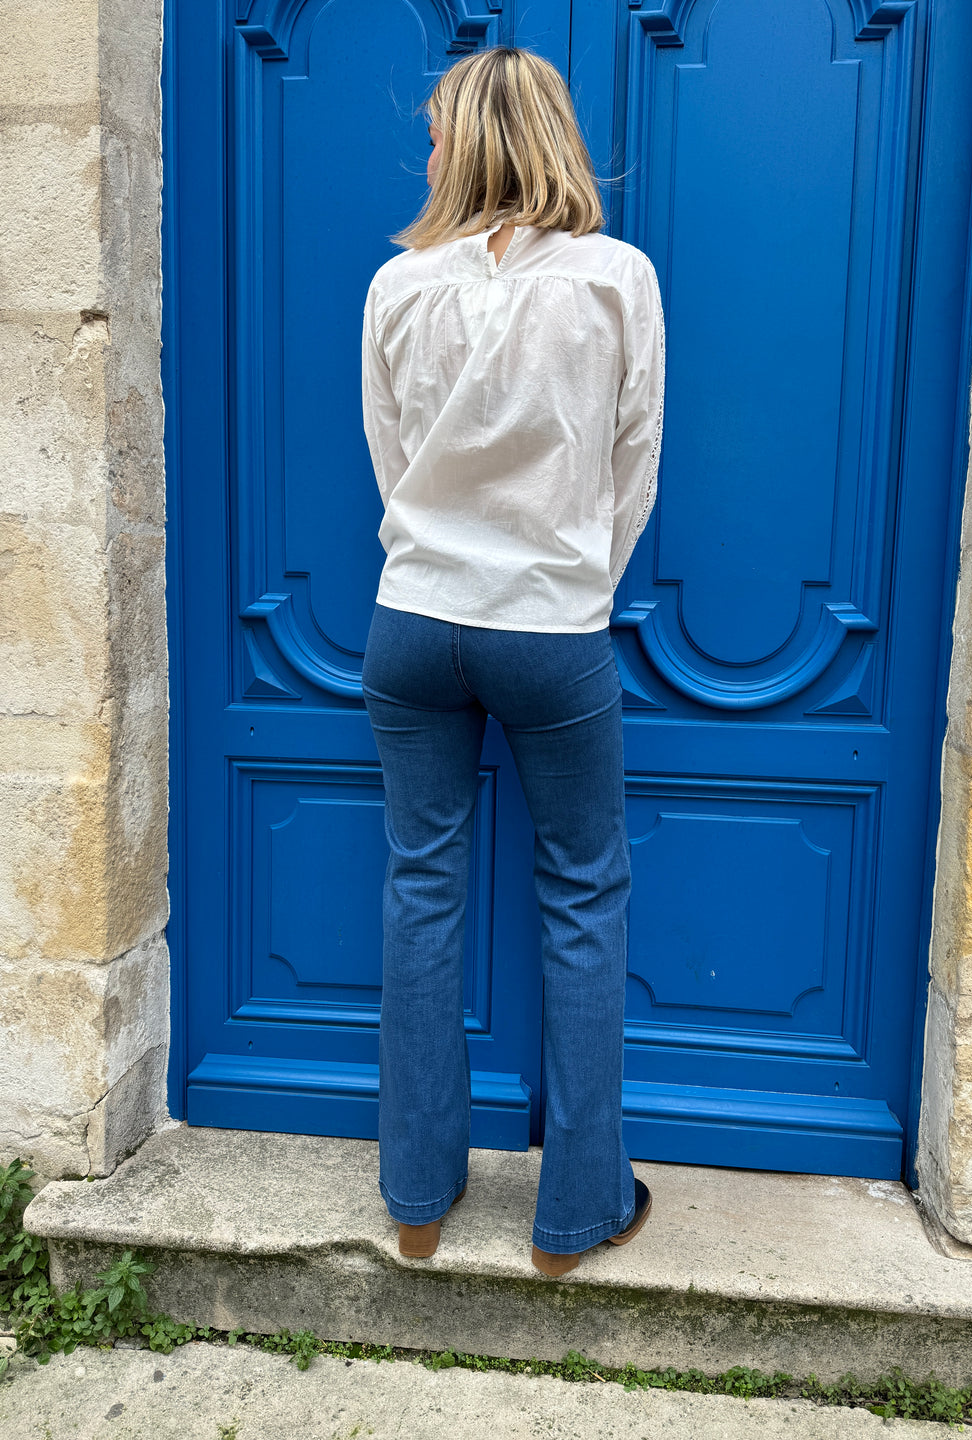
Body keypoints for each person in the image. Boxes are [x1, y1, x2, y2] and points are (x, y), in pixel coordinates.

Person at [359, 45, 665, 1278]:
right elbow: (632, 464)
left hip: (414, 616)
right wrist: (577, 575)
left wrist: (443, 553)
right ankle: (573, 1215)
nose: (427, 153)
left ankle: (419, 1205)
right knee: (585, 891)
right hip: (550, 624)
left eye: (437, 133)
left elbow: (391, 459)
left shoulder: (398, 286)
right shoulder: (616, 280)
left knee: (420, 887)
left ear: (476, 143)